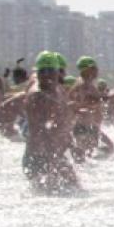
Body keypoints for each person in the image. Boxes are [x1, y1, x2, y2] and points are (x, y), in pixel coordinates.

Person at [23, 52, 80, 192]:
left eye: (50, 71)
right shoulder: (38, 96)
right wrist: (52, 160)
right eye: (43, 71)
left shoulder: (57, 91)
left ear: (59, 73)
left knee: (73, 191)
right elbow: (41, 131)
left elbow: (61, 123)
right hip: (40, 157)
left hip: (54, 155)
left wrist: (71, 144)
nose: (46, 75)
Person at [70, 56, 114, 159]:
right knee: (86, 157)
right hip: (84, 126)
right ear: (87, 69)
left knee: (106, 149)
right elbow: (78, 104)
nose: (97, 71)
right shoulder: (82, 84)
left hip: (91, 126)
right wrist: (98, 100)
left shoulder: (88, 84)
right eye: (94, 68)